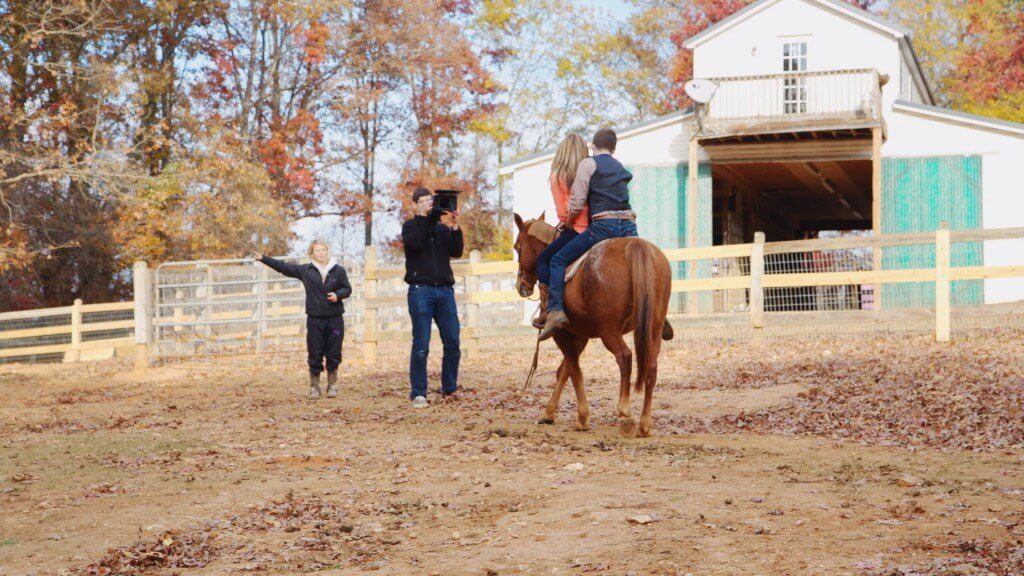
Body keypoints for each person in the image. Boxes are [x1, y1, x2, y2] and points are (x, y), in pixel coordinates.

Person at [539, 127, 638, 340]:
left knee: (555, 260)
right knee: (640, 262)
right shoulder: (619, 166)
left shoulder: (588, 165)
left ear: (593, 146)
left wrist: (570, 221)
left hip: (600, 227)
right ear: (614, 147)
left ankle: (554, 309)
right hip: (629, 224)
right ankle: (655, 307)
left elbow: (575, 204)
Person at [251, 241, 352, 398]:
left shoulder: (338, 270)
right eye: (317, 250)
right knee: (315, 352)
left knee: (334, 352)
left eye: (323, 250)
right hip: (315, 320)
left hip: (335, 319)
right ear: (312, 253)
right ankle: (314, 386)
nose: (321, 253)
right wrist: (264, 259)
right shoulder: (306, 270)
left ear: (327, 251)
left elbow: (347, 288)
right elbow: (284, 268)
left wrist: (338, 295)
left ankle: (332, 385)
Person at [402, 187, 464, 408]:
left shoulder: (442, 229)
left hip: (445, 291)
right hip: (421, 291)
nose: (430, 203)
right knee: (421, 345)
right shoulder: (410, 227)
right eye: (426, 201)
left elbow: (456, 251)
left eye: (432, 200)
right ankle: (419, 392)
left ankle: (450, 387)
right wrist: (426, 219)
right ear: (416, 204)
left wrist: (455, 226)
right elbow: (415, 244)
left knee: (453, 342)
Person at [532, 134, 590, 329]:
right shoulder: (590, 171)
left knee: (545, 259)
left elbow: (564, 214)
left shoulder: (557, 175)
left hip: (578, 230)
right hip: (598, 227)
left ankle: (550, 309)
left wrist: (564, 222)